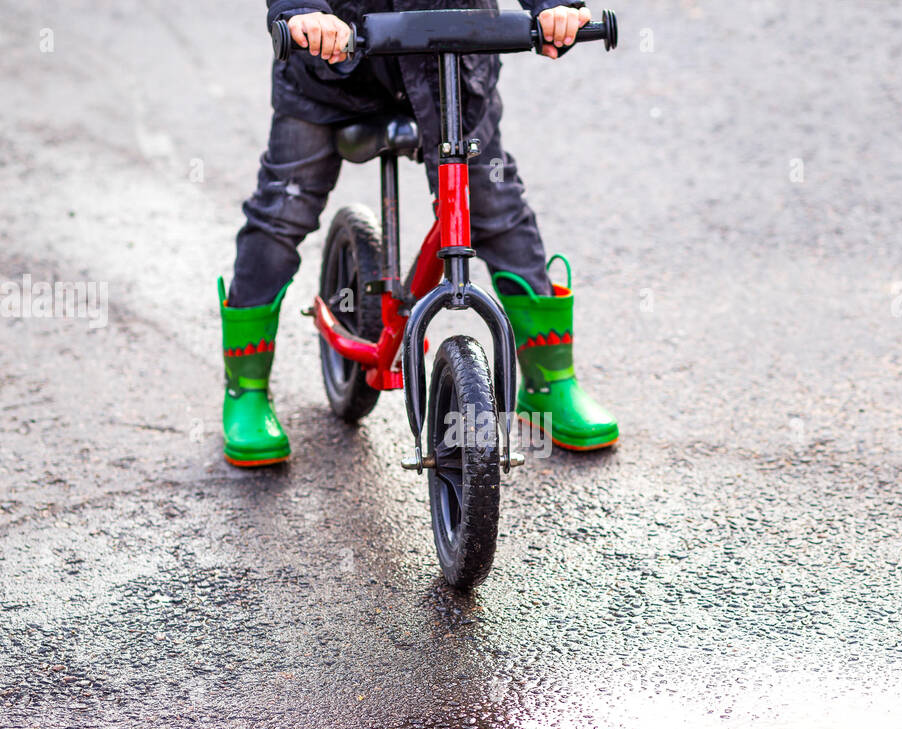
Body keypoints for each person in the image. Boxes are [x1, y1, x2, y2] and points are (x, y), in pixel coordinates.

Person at [218, 0, 619, 465]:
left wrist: (555, 8)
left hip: (450, 58)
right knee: (282, 209)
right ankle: (244, 388)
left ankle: (550, 380)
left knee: (495, 208)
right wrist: (303, 10)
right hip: (333, 67)